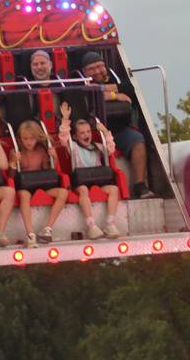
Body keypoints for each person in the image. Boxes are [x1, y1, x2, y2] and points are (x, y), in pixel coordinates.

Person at [81, 51, 154, 198]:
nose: (97, 71)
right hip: (93, 133)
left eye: (100, 66)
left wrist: (103, 90)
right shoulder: (80, 80)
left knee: (137, 140)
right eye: (92, 68)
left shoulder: (114, 76)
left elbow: (129, 89)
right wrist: (115, 94)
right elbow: (86, 94)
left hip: (119, 130)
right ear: (84, 71)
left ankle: (140, 185)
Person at [58, 102, 121, 239]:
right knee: (83, 190)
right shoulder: (73, 147)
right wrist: (65, 119)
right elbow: (63, 138)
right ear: (75, 136)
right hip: (81, 181)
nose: (86, 135)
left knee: (114, 189)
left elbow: (110, 149)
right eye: (82, 133)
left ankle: (109, 223)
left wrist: (105, 132)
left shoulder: (97, 147)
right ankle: (91, 225)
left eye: (88, 132)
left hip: (97, 179)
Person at [8, 121, 69, 246]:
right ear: (20, 139)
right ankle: (30, 234)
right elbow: (10, 177)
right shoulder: (15, 151)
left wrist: (54, 157)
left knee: (63, 192)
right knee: (24, 196)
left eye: (32, 138)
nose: (28, 142)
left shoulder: (41, 150)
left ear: (37, 138)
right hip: (25, 186)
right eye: (25, 138)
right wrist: (13, 162)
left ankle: (47, 229)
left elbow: (50, 171)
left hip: (41, 183)